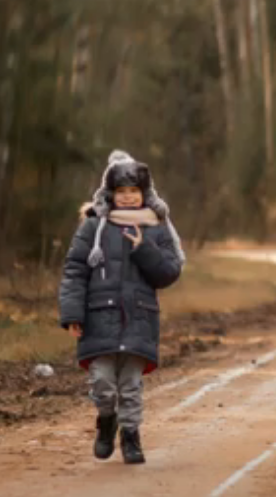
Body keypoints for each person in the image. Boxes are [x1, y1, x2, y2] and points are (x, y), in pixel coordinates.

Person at [59, 150, 184, 464]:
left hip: (139, 318)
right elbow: (75, 269)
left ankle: (131, 436)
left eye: (134, 191)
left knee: (130, 386)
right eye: (121, 191)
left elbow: (169, 272)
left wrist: (144, 249)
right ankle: (106, 421)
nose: (127, 197)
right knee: (102, 383)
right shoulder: (93, 226)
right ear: (110, 193)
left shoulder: (156, 226)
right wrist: (72, 314)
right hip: (98, 317)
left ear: (145, 194)